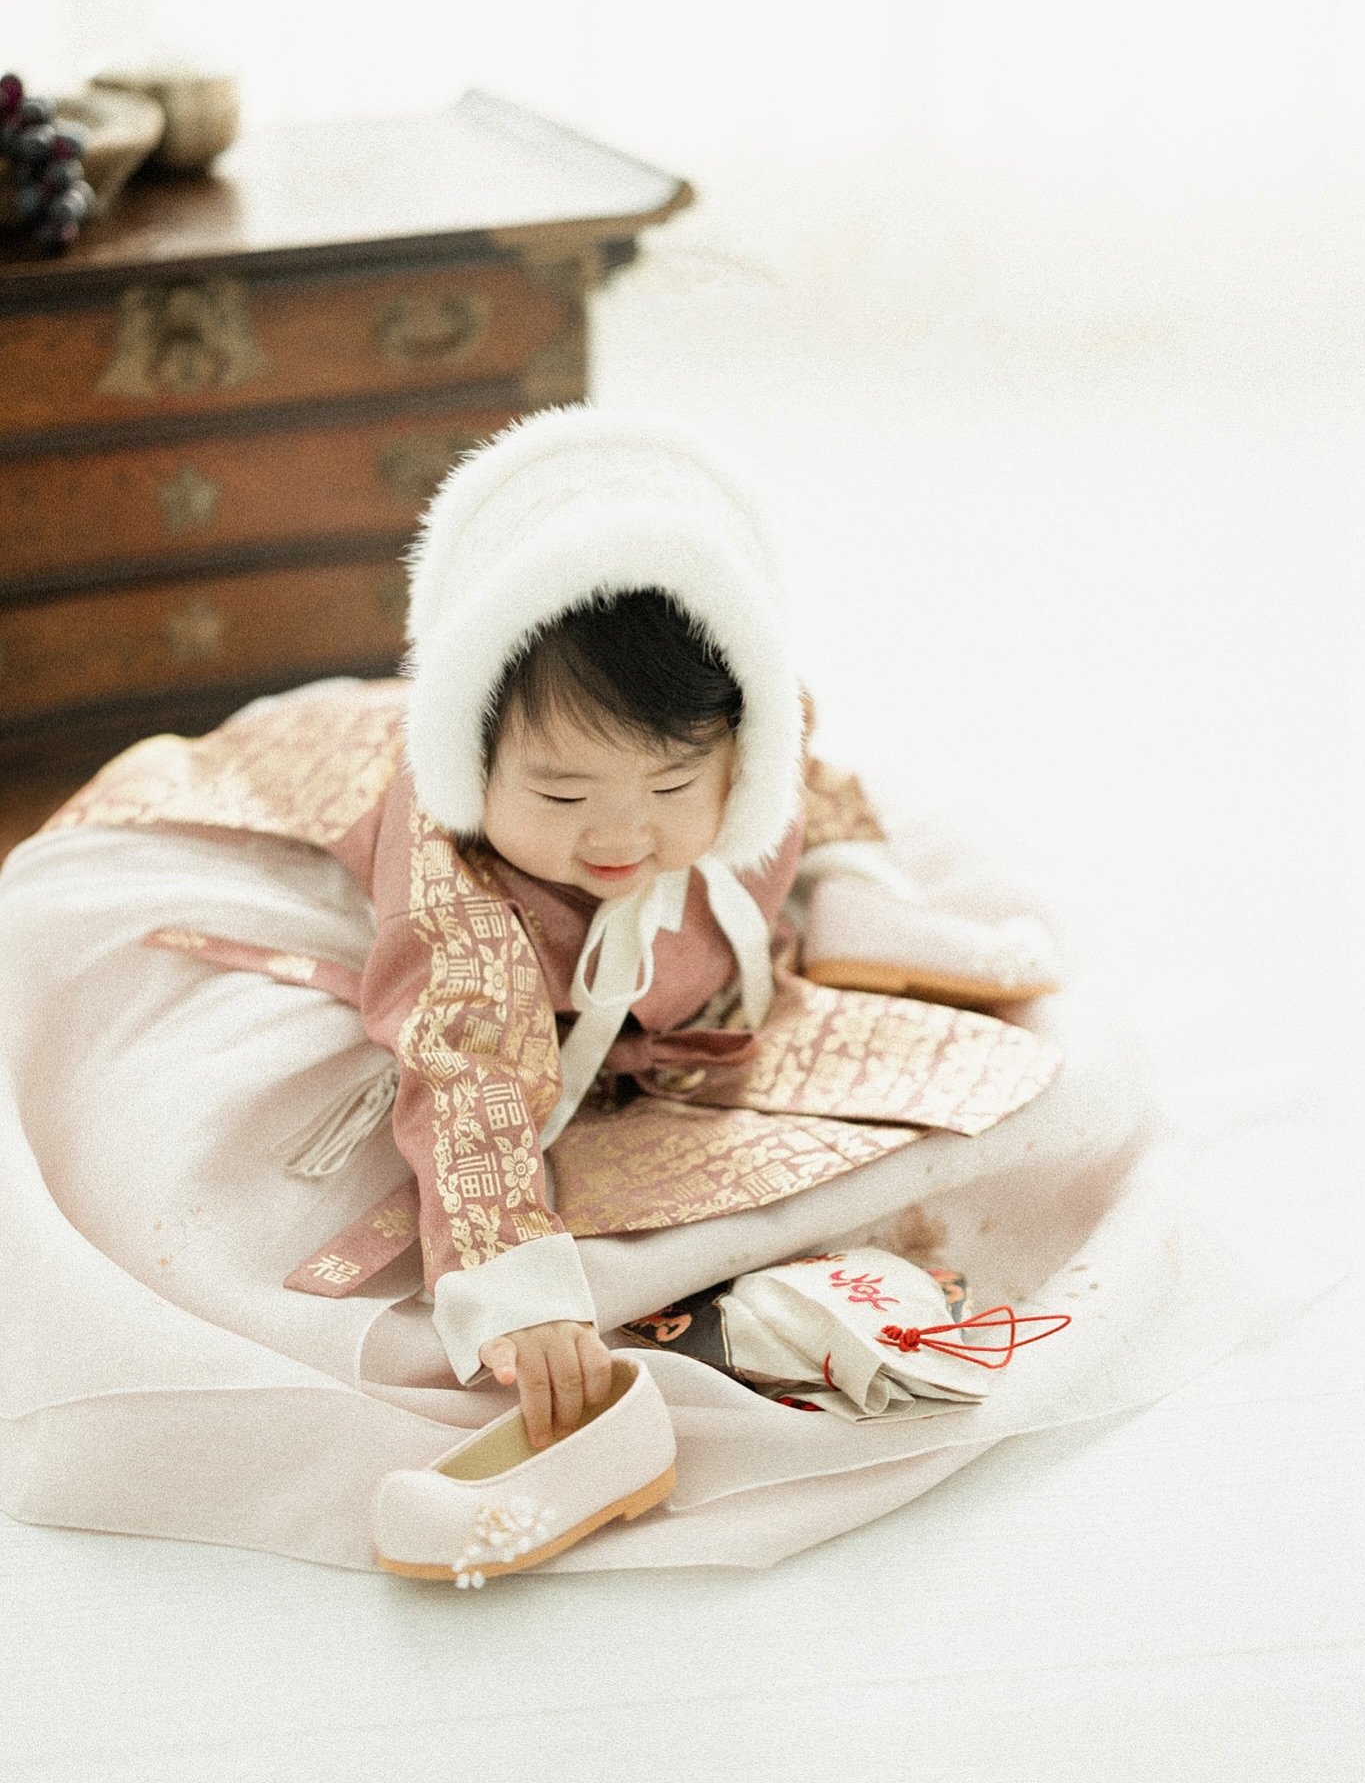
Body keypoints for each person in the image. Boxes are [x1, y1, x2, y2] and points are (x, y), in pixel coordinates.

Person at [0, 404, 1271, 1578]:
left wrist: (808, 856)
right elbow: (467, 1069)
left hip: (722, 823)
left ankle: (850, 893)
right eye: (559, 794)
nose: (617, 837)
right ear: (470, 756)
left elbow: (784, 759)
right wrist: (515, 1287)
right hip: (283, 820)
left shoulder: (759, 752)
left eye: (671, 790)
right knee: (283, 1136)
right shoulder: (458, 874)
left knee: (1013, 1071)